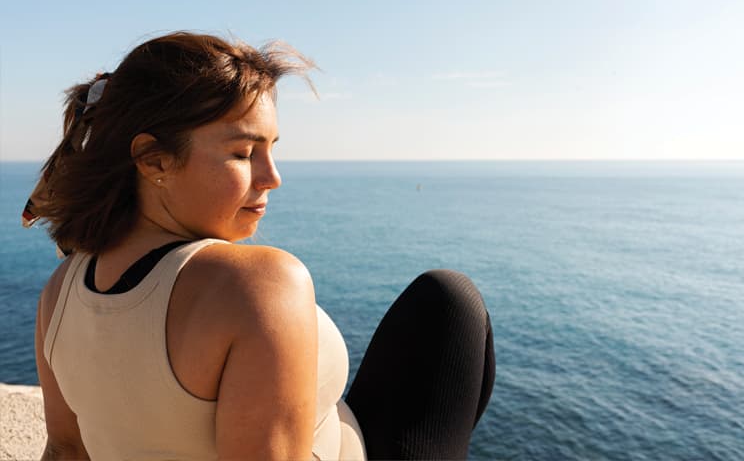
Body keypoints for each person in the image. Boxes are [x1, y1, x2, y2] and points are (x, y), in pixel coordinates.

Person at [28, 31, 495, 460]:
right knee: (449, 303)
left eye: (272, 149)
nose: (273, 177)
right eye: (243, 153)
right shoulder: (260, 286)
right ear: (155, 161)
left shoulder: (60, 291)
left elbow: (67, 450)